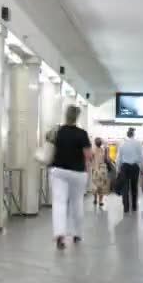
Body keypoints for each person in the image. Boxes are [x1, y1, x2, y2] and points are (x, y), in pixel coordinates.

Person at [49, 105, 92, 250]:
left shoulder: (58, 131)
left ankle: (60, 235)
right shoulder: (82, 134)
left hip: (59, 170)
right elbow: (88, 156)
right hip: (78, 173)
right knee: (77, 202)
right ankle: (77, 233)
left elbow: (49, 145)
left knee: (59, 202)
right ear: (77, 117)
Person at [116, 127, 143, 214]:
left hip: (125, 167)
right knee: (134, 187)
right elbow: (141, 157)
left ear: (127, 134)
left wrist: (118, 169)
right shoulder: (138, 143)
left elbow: (119, 158)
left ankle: (126, 208)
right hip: (135, 167)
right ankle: (134, 207)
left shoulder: (122, 144)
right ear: (133, 134)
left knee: (125, 188)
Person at [91, 137, 110, 207]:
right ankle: (101, 201)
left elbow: (90, 160)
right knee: (102, 186)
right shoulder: (103, 150)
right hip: (103, 171)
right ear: (101, 143)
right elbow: (107, 160)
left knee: (95, 185)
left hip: (95, 170)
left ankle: (95, 199)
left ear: (95, 143)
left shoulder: (92, 150)